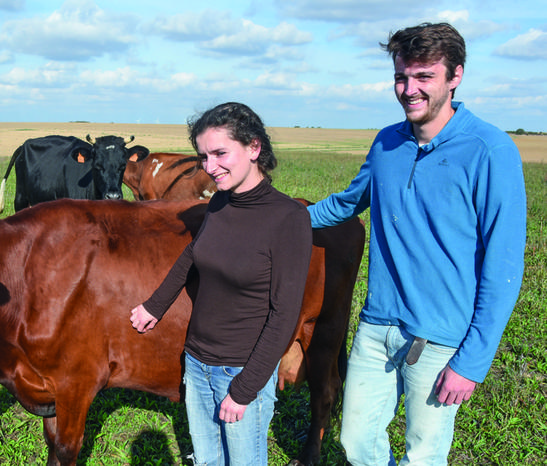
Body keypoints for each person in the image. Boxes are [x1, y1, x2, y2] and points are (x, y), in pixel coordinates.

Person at [300, 23, 526, 465]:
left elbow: (503, 268)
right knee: (355, 443)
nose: (409, 90)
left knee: (422, 456)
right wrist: (276, 219)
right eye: (402, 77)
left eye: (424, 77)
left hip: (440, 340)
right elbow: (347, 203)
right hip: (377, 327)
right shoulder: (388, 141)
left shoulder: (489, 151)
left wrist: (472, 362)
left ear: (455, 76)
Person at [130, 102, 313, 465]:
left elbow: (284, 314)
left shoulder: (288, 219)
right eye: (203, 156)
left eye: (220, 153)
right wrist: (155, 305)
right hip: (197, 362)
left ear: (254, 148)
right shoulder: (219, 204)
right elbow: (192, 256)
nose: (209, 167)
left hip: (242, 371)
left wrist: (244, 390)